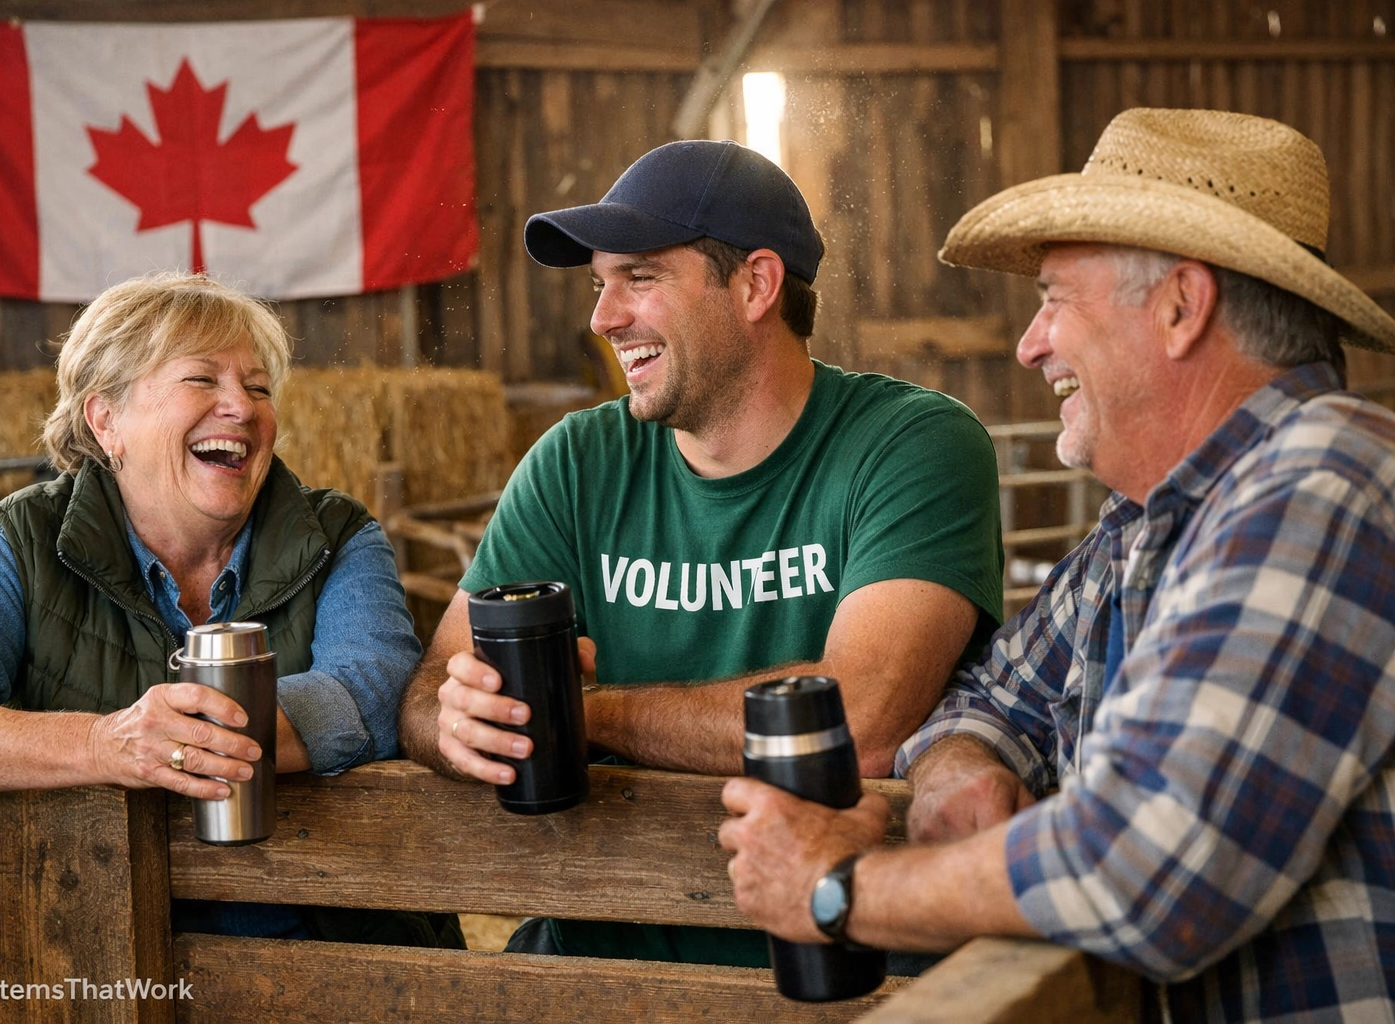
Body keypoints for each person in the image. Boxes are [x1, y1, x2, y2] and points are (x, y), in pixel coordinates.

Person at [718, 108, 1395, 1021]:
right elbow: (989, 698)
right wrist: (961, 769)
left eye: (1055, 299)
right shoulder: (1141, 529)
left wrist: (836, 887)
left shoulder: (1325, 483)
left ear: (1181, 306)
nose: (1031, 343)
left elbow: (1146, 869)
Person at [398, 139, 1005, 966]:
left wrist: (584, 713)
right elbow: (432, 688)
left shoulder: (911, 444)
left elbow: (858, 723)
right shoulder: (576, 460)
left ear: (756, 284)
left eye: (640, 278)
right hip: (603, 958)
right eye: (599, 284)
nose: (603, 318)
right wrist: (465, 724)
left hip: (836, 969)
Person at [0, 271, 461, 948]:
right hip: (97, 955)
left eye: (259, 387)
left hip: (338, 948)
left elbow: (378, 689)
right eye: (202, 380)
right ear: (106, 419)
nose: (242, 406)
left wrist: (182, 740)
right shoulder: (23, 541)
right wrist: (103, 745)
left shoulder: (338, 534)